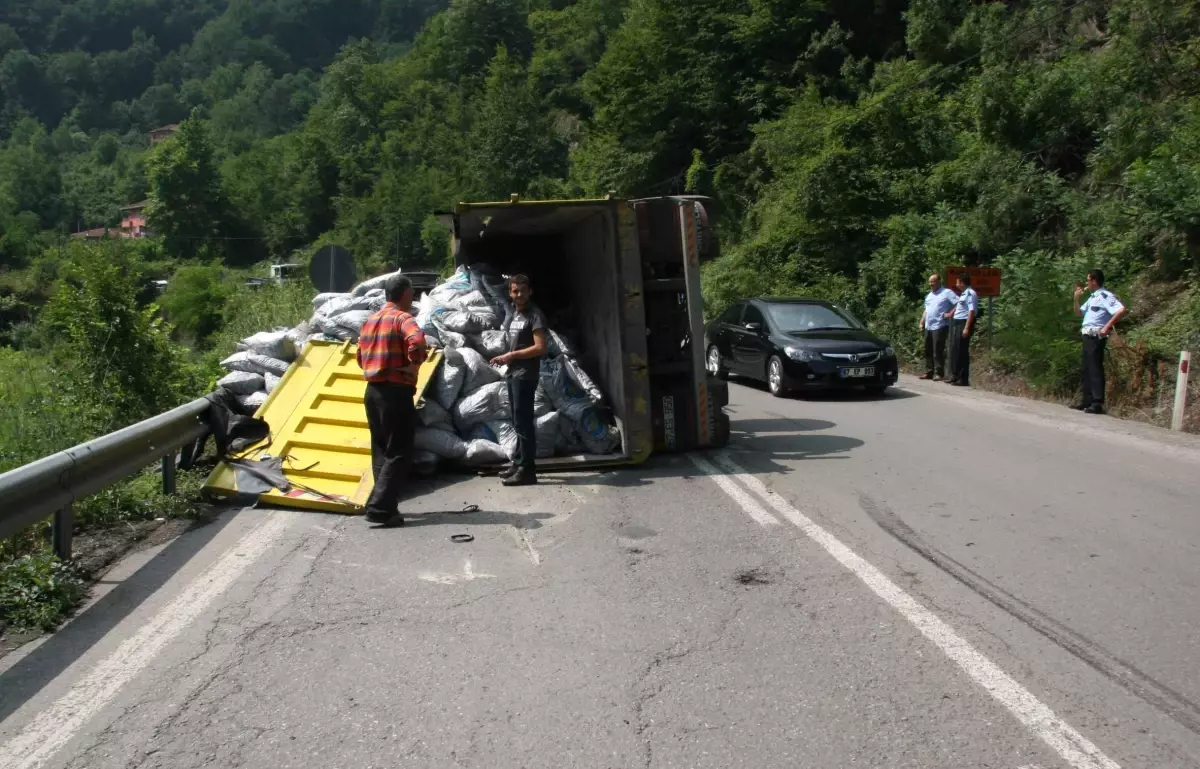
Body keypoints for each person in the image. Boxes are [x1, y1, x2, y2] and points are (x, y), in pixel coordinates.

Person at [356, 274, 427, 526]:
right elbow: (417, 341)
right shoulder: (402, 318)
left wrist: (375, 365)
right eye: (412, 292)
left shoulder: (370, 321)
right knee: (399, 451)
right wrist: (414, 365)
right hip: (395, 392)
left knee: (381, 451)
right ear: (405, 294)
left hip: (372, 391)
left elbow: (358, 355)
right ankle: (378, 505)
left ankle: (388, 509)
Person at [490, 274, 547, 487]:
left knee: (523, 422)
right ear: (510, 293)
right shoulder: (515, 314)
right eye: (515, 291)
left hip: (526, 374)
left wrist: (511, 356)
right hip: (514, 373)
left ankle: (528, 470)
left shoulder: (535, 316)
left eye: (523, 290)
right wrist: (506, 356)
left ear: (530, 291)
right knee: (516, 420)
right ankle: (518, 462)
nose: (519, 295)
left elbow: (540, 347)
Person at [1072, 269, 1126, 415]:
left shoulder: (1104, 296)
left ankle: (1097, 402)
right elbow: (1078, 313)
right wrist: (1076, 299)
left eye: (1088, 280)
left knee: (1095, 367)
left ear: (1094, 281)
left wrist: (1107, 326)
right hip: (1087, 335)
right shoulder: (1091, 298)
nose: (1086, 283)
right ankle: (1087, 399)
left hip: (1097, 335)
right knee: (1087, 367)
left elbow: (1120, 310)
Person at [919, 273, 958, 381]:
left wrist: (950, 313)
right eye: (930, 282)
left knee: (938, 350)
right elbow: (926, 310)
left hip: (940, 325)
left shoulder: (947, 292)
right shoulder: (929, 296)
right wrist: (922, 322)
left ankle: (939, 373)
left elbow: (959, 303)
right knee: (928, 350)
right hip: (929, 326)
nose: (931, 284)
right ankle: (929, 371)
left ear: (939, 281)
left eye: (933, 281)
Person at [947, 272, 978, 386]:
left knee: (962, 351)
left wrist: (966, 328)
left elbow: (971, 311)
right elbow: (960, 306)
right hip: (958, 322)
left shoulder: (970, 293)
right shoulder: (964, 294)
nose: (956, 284)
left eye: (957, 282)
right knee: (955, 350)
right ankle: (954, 376)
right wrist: (951, 313)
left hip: (964, 323)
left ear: (962, 282)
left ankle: (962, 378)